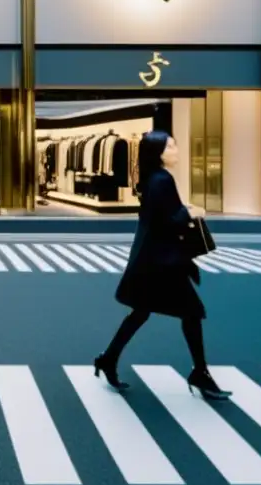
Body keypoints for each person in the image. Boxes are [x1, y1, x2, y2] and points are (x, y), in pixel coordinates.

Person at [93, 131, 230, 400]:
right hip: (161, 264)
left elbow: (159, 216)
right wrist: (191, 212)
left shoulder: (153, 178)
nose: (176, 150)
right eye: (171, 146)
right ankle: (200, 372)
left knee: (142, 312)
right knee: (192, 312)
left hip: (152, 261)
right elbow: (168, 221)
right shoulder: (162, 179)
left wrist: (182, 210)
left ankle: (108, 359)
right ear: (159, 152)